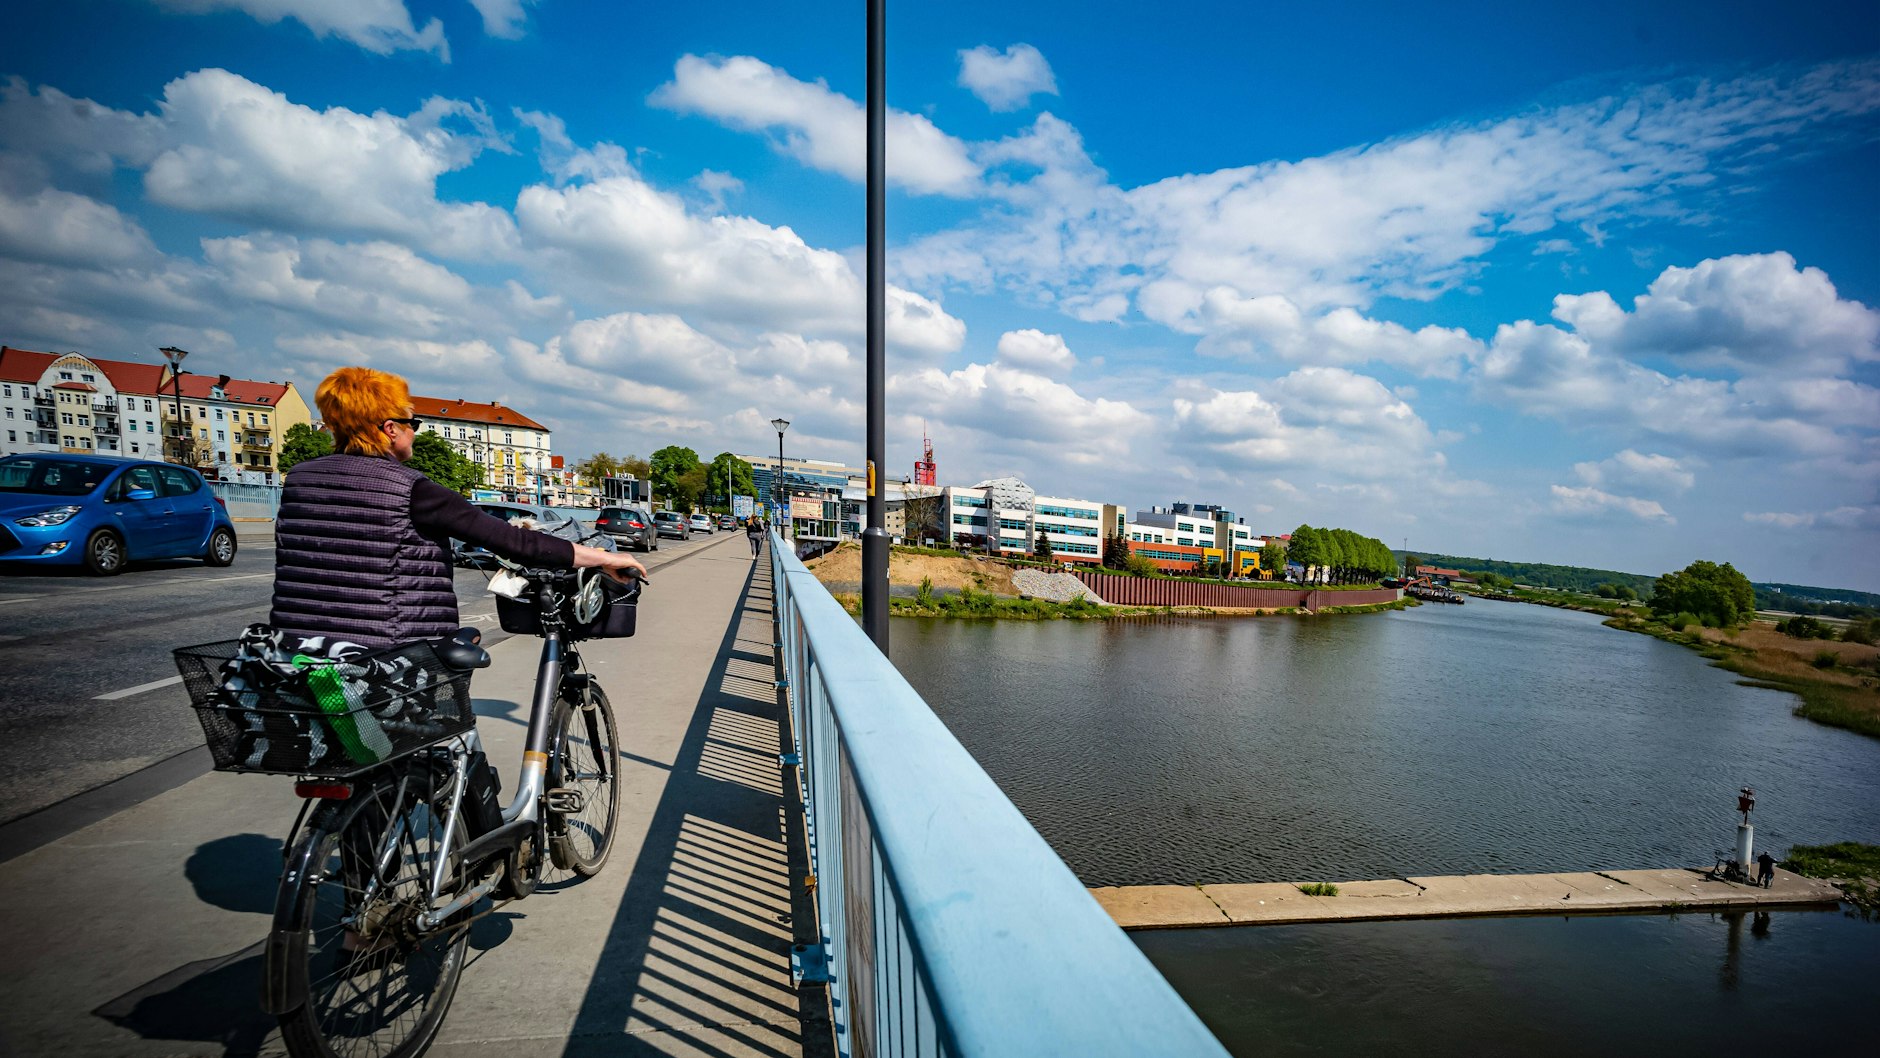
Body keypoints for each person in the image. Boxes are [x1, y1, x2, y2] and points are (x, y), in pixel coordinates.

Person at [270, 367, 647, 647]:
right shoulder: (413, 490)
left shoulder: (300, 479)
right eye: (411, 421)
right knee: (442, 746)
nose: (415, 430)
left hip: (296, 652)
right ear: (390, 429)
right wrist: (604, 559)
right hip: (392, 658)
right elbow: (516, 543)